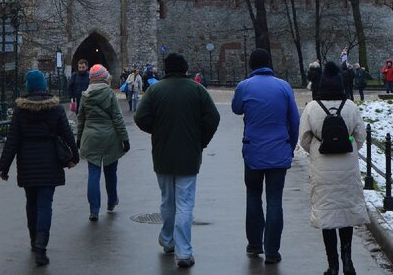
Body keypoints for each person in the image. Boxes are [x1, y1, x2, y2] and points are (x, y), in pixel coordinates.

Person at [134, 52, 221, 269]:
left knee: (167, 200)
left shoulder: (154, 90)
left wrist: (156, 130)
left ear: (166, 69)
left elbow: (140, 118)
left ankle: (167, 239)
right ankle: (183, 252)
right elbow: (213, 117)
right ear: (184, 69)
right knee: (184, 203)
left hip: (162, 153)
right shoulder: (196, 89)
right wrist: (201, 140)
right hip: (189, 155)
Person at [0, 69, 79, 267]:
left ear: (27, 85)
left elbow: (13, 141)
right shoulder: (56, 108)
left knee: (31, 203)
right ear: (43, 85)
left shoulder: (20, 110)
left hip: (27, 162)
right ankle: (42, 247)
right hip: (50, 160)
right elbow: (67, 134)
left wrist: (4, 167)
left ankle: (34, 240)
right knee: (45, 205)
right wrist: (75, 155)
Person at [231, 49, 300, 264]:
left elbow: (236, 109)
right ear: (269, 64)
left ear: (251, 66)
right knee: (274, 200)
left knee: (253, 196)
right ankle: (272, 251)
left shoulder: (244, 86)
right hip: (279, 150)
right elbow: (295, 120)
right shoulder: (284, 86)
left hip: (253, 151)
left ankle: (254, 244)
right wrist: (290, 145)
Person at [299, 62, 367, 275]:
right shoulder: (351, 107)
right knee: (345, 214)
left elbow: (304, 139)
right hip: (347, 165)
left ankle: (333, 265)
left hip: (322, 167)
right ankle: (348, 260)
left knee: (327, 216)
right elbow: (361, 136)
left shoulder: (312, 108)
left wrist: (318, 151)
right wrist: (349, 147)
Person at [77, 64, 130, 220]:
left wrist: (78, 139)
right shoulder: (109, 94)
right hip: (110, 137)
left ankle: (94, 210)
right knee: (110, 172)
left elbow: (81, 119)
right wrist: (124, 139)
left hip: (90, 136)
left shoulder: (85, 95)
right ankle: (112, 201)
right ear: (104, 78)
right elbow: (117, 118)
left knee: (93, 173)